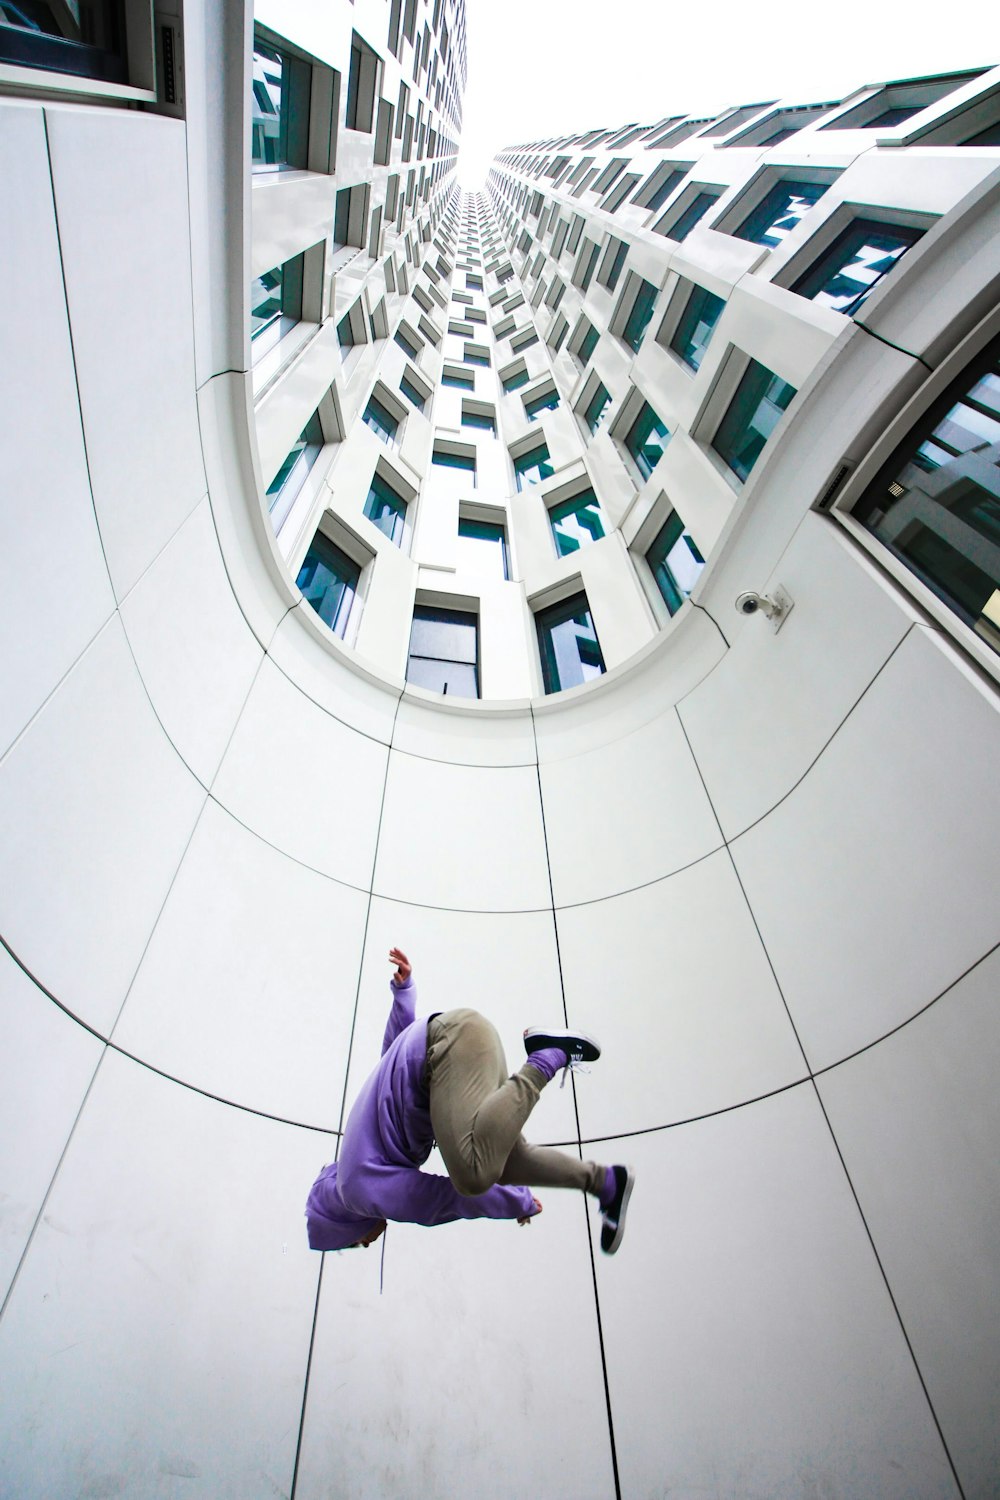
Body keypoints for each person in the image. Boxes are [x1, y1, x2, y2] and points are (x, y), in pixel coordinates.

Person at [306, 948, 634, 1256]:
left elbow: (436, 1199)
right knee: (508, 1162)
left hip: (448, 1051)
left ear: (343, 1223)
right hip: (460, 1045)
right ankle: (606, 1183)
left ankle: (547, 1056)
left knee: (472, 1175)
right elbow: (393, 1054)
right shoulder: (361, 1160)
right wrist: (404, 995)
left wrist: (514, 1202)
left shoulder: (357, 1191)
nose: (364, 1244)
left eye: (351, 1243)